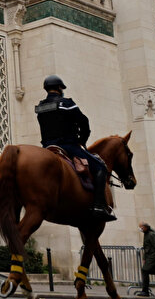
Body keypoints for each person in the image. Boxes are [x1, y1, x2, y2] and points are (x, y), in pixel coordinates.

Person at [35, 74, 116, 222]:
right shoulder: (67, 103)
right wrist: (81, 140)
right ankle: (99, 206)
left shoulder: (40, 107)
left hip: (47, 147)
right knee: (100, 167)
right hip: (68, 146)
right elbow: (84, 122)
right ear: (59, 88)